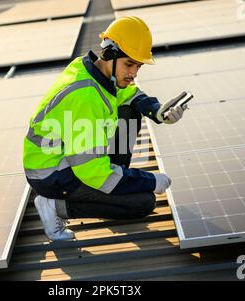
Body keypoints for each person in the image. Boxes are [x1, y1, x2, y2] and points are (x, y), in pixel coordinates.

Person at [23, 16, 185, 241]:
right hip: (52, 174)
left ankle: (116, 179)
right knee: (143, 203)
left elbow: (127, 95)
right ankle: (55, 204)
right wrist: (149, 180)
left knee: (129, 109)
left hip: (67, 160)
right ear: (110, 54)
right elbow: (92, 172)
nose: (134, 74)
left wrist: (157, 111)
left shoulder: (91, 69)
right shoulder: (86, 97)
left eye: (138, 66)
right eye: (129, 64)